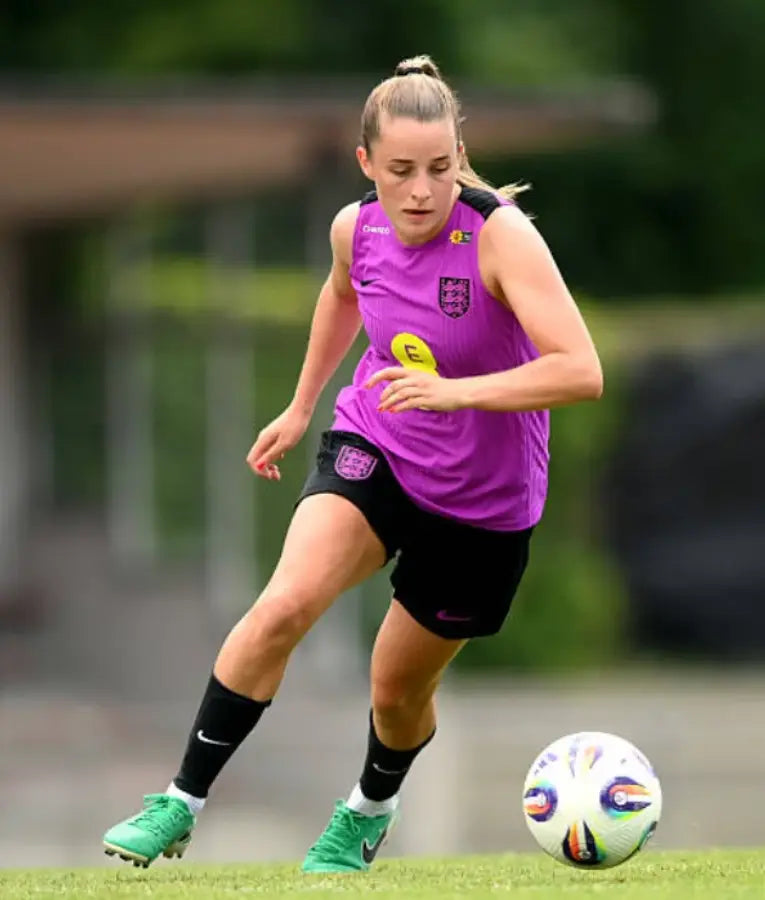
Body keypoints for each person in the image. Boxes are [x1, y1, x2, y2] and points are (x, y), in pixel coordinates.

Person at [102, 53, 603, 873]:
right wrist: (302, 406)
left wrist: (456, 393)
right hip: (377, 444)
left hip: (482, 504)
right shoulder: (355, 226)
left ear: (457, 159)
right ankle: (179, 802)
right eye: (400, 171)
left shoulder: (501, 239)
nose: (419, 192)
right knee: (285, 603)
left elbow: (581, 370)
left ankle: (368, 810)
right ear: (365, 162)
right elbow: (342, 293)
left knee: (395, 692)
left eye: (438, 169)